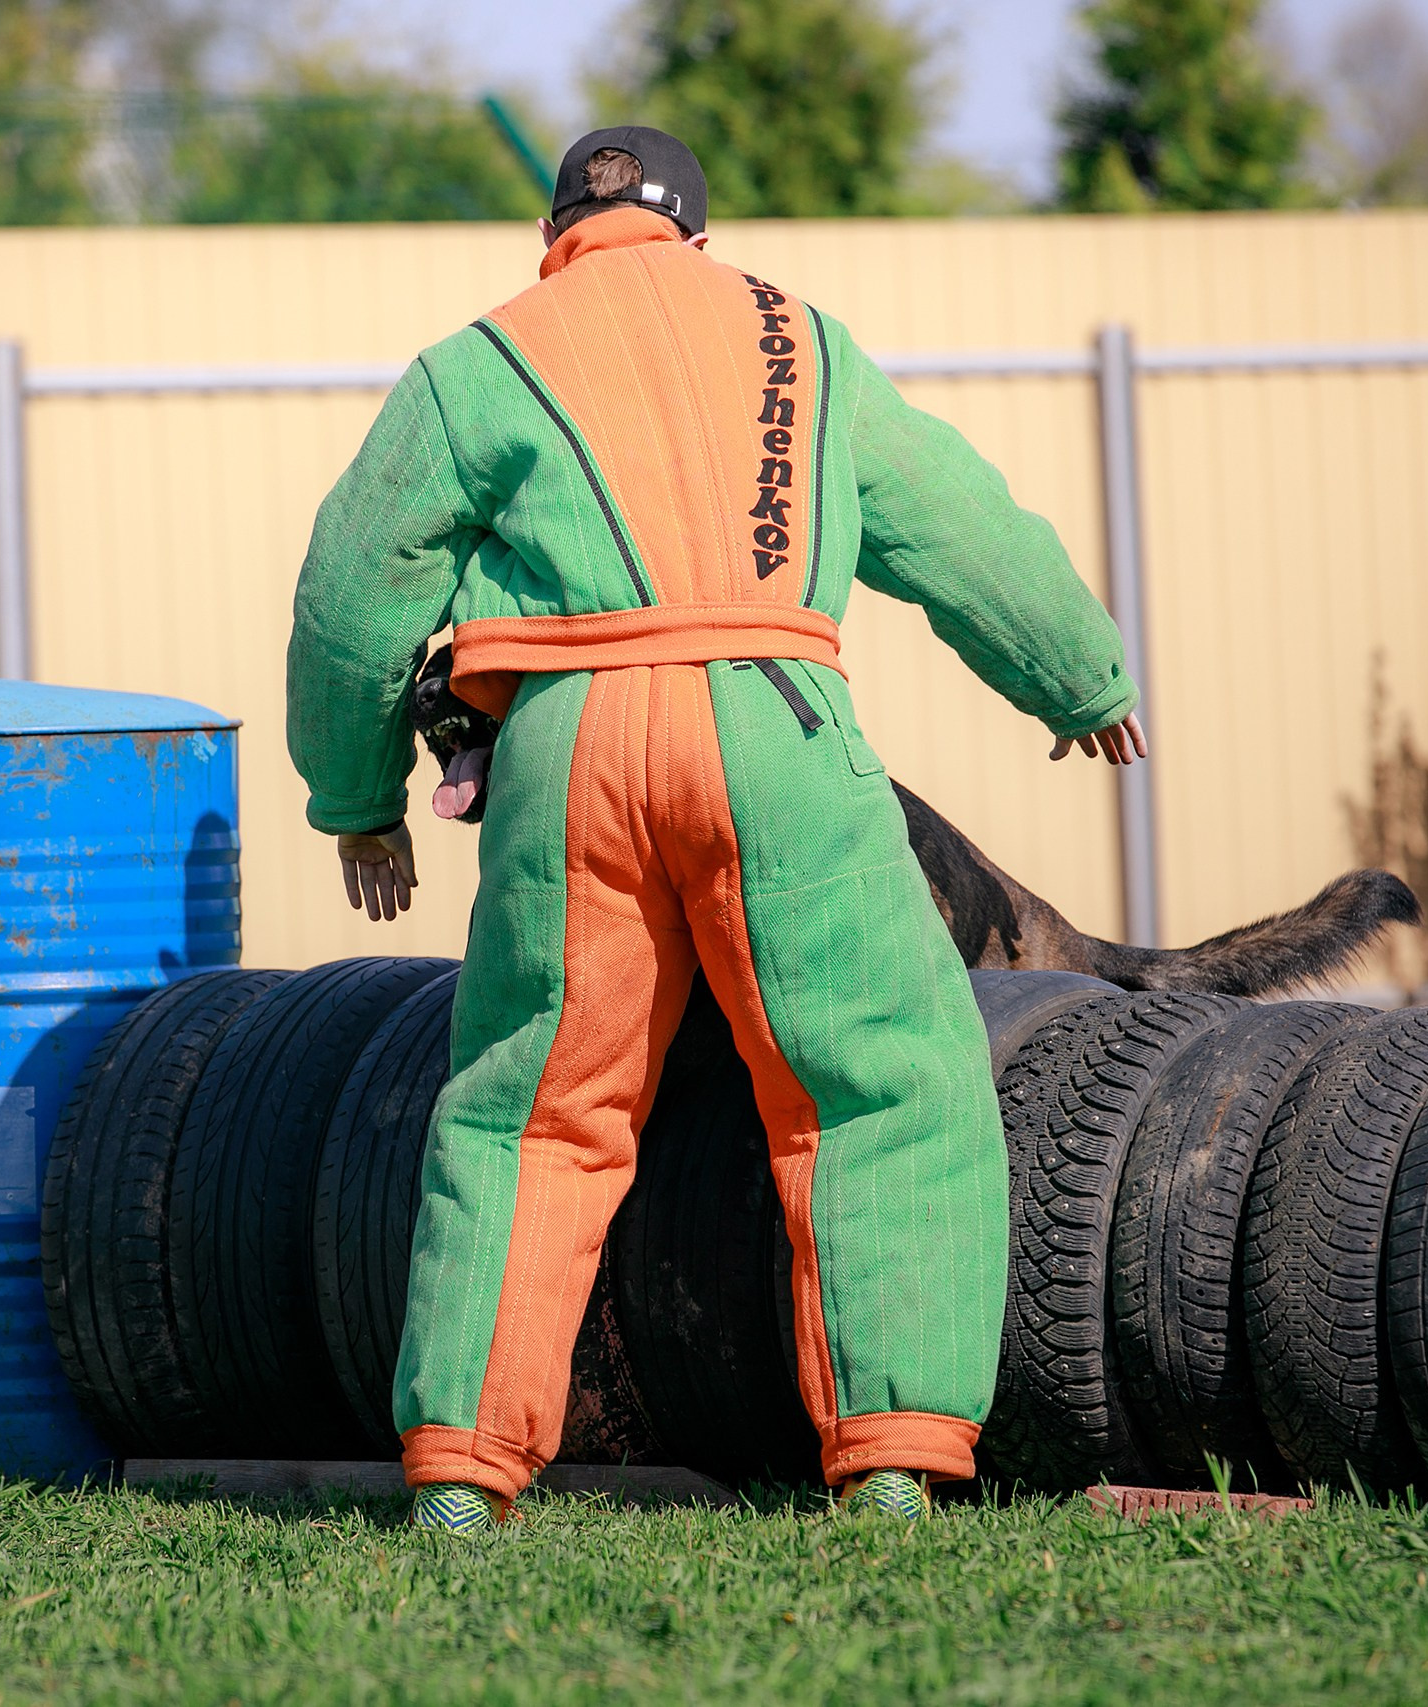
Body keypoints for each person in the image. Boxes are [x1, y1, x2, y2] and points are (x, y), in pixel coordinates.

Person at [285, 127, 1145, 1534]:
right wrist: (1077, 674)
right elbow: (953, 521)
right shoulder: (800, 341)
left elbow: (351, 590)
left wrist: (357, 793)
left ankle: (460, 1475)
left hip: (566, 745)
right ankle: (890, 1464)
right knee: (884, 1081)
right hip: (775, 724)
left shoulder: (483, 359)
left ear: (557, 237)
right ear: (696, 232)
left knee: (527, 1109)